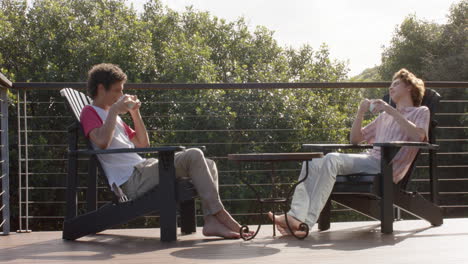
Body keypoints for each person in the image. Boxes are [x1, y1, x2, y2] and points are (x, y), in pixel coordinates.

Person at [80, 63, 249, 239]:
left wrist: (135, 113)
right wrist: (115, 110)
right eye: (117, 90)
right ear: (101, 88)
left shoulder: (114, 118)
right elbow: (102, 143)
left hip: (143, 168)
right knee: (194, 155)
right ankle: (220, 214)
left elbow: (143, 143)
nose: (121, 95)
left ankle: (211, 221)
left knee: (209, 163)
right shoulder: (90, 112)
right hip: (131, 180)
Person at [269, 68, 430, 236]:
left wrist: (391, 111)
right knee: (312, 162)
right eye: (390, 85)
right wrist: (360, 113)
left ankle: (306, 223)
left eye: (396, 84)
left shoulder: (421, 112)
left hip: (388, 167)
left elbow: (419, 136)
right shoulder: (384, 118)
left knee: (331, 159)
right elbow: (355, 139)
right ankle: (295, 216)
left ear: (410, 87)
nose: (390, 88)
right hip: (371, 161)